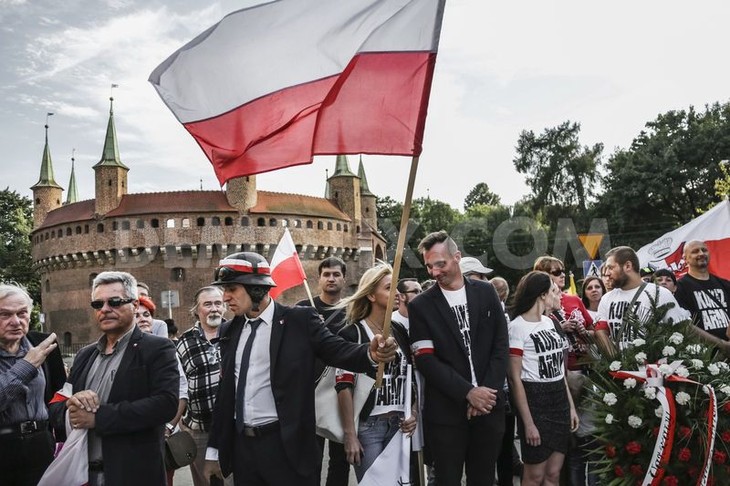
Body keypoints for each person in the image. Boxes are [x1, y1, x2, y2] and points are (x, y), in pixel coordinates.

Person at [203, 252, 398, 485]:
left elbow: (337, 350)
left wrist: (370, 353)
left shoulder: (299, 321)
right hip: (242, 448)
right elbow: (225, 394)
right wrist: (213, 451)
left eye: (232, 289)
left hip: (286, 447)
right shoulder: (229, 331)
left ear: (256, 289)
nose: (225, 297)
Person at [49, 271, 179, 486]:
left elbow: (166, 404)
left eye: (115, 302)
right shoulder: (85, 354)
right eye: (98, 304)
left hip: (132, 474)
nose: (105, 309)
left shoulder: (157, 348)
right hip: (83, 475)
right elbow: (57, 406)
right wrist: (72, 408)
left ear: (135, 305)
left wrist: (99, 418)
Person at [408, 231, 508, 486]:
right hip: (446, 414)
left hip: (489, 407)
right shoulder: (421, 306)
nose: (433, 272)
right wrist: (467, 392)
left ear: (457, 257)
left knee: (484, 479)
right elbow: (426, 360)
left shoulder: (486, 292)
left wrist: (486, 394)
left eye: (440, 264)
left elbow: (500, 346)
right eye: (429, 266)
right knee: (447, 480)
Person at [336, 263, 417, 481]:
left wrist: (413, 413)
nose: (398, 294)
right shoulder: (353, 333)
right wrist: (350, 434)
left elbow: (409, 376)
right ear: (371, 295)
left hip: (399, 425)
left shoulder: (399, 330)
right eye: (389, 288)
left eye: (398, 289)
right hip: (368, 427)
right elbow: (344, 385)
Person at [507, 271, 579, 486]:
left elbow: (559, 370)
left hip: (559, 399)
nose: (558, 294)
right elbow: (514, 379)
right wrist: (528, 423)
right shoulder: (516, 328)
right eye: (554, 290)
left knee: (553, 474)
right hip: (535, 402)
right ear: (541, 295)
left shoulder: (551, 323)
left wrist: (571, 407)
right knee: (534, 475)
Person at [0, 284, 63, 486]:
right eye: (5, 314)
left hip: (41, 444)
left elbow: (60, 393)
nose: (16, 321)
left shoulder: (43, 344)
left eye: (22, 313)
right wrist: (27, 365)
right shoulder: (37, 354)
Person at [296, 256, 351, 486]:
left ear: (344, 279)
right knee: (310, 456)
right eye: (326, 274)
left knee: (340, 458)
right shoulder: (302, 309)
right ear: (318, 279)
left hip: (343, 392)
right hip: (310, 391)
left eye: (336, 274)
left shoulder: (353, 309)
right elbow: (292, 348)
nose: (331, 279)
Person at [177, 286, 232, 486]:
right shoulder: (184, 342)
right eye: (207, 304)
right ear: (196, 310)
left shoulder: (236, 333)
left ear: (225, 307)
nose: (214, 309)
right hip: (199, 430)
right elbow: (180, 384)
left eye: (218, 303)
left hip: (233, 427)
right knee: (206, 482)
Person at [136, 295, 189, 486]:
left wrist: (168, 427)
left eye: (147, 314)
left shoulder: (166, 351)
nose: (142, 318)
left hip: (162, 436)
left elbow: (182, 390)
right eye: (136, 315)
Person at [594, 246, 688, 352]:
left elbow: (681, 329)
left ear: (628, 266)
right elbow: (600, 330)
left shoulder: (660, 293)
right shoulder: (607, 298)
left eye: (611, 268)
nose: (607, 273)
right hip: (619, 367)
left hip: (653, 365)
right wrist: (614, 358)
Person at [533, 256, 593, 372]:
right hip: (557, 369)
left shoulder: (575, 300)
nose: (563, 275)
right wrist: (560, 328)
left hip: (584, 365)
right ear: (542, 276)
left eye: (563, 271)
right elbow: (533, 336)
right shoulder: (537, 304)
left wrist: (583, 331)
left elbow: (594, 331)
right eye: (556, 272)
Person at [674, 240, 730, 355]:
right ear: (685, 259)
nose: (701, 254)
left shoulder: (725, 284)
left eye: (704, 250)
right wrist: (721, 344)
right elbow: (685, 325)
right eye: (695, 251)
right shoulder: (680, 288)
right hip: (705, 358)